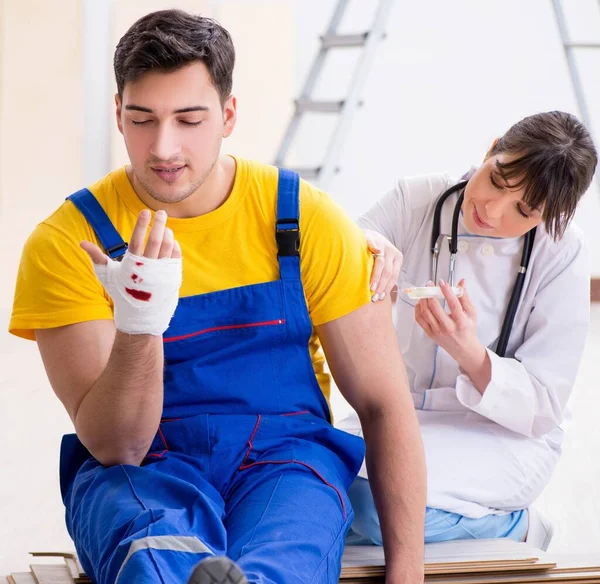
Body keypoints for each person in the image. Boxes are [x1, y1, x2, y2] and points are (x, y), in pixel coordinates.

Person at [9, 9, 426, 584]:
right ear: (118, 115)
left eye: (189, 118)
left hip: (286, 461)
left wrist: (408, 576)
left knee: (292, 557)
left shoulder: (303, 221)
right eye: (143, 119)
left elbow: (384, 405)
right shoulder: (69, 244)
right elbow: (117, 445)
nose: (164, 146)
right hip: (144, 467)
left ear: (228, 115)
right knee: (153, 550)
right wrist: (139, 323)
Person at [338, 110, 597, 549]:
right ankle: (471, 524)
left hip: (501, 436)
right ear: (492, 149)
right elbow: (342, 242)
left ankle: (515, 525)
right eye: (497, 180)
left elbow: (543, 406)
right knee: (312, 491)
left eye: (524, 209)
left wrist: (469, 353)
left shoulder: (562, 256)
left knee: (375, 511)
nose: (491, 211)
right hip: (400, 414)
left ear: (548, 215)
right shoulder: (416, 199)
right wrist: (366, 244)